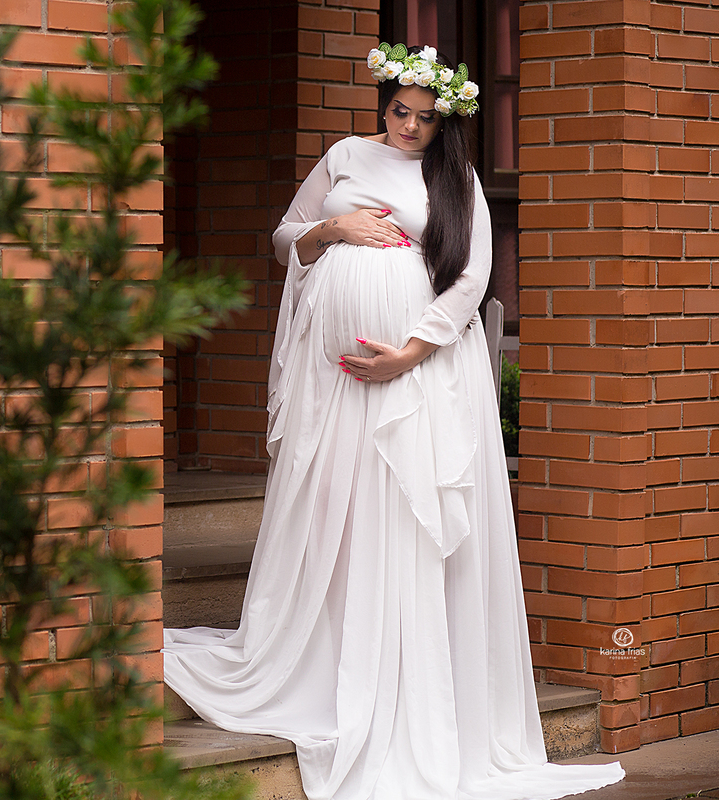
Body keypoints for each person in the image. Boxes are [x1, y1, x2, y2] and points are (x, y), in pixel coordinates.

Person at [162, 43, 626, 800]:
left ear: (446, 122)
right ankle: (329, 654)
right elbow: (285, 237)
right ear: (384, 105)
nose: (409, 126)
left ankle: (406, 679)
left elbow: (473, 275)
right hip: (337, 385)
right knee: (339, 512)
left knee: (404, 515)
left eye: (425, 117)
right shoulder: (345, 154)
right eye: (399, 111)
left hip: (419, 377)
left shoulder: (458, 180)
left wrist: (409, 352)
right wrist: (334, 230)